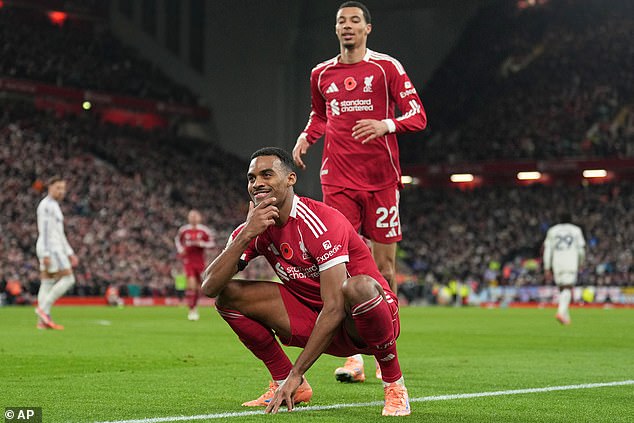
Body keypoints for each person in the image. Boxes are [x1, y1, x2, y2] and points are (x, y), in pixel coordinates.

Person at [202, 147, 410, 416]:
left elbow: (335, 306)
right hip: (316, 316)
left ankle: (394, 385)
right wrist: (245, 236)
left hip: (362, 319)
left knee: (358, 287)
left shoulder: (321, 221)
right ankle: (283, 380)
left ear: (291, 179)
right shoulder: (254, 227)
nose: (257, 183)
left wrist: (297, 372)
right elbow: (209, 287)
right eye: (252, 178)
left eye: (267, 174)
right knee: (228, 296)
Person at [292, 0, 427, 383]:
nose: (347, 26)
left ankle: (386, 349)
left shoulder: (386, 68)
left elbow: (418, 116)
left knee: (384, 269)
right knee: (341, 269)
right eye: (341, 21)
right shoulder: (321, 73)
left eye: (355, 20)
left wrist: (386, 124)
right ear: (335, 29)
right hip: (337, 180)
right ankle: (354, 357)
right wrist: (306, 137)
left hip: (381, 181)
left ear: (368, 28)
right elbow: (320, 115)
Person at [35, 176, 78, 330]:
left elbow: (59, 232)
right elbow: (45, 230)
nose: (61, 191)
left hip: (50, 247)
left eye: (63, 188)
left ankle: (42, 321)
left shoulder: (53, 205)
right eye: (58, 188)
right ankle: (43, 309)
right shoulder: (47, 206)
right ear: (50, 187)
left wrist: (69, 252)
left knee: (47, 282)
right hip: (51, 248)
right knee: (69, 279)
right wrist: (46, 252)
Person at [543, 212, 586, 325]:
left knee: (562, 288)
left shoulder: (552, 231)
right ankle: (561, 312)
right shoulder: (576, 230)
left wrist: (547, 267)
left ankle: (565, 317)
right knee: (568, 287)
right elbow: (581, 250)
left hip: (557, 263)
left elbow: (547, 250)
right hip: (570, 261)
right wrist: (581, 262)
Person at [175, 209, 216, 321]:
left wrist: (201, 243)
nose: (193, 218)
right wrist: (181, 250)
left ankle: (194, 306)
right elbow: (177, 241)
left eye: (195, 216)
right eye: (191, 216)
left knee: (198, 287)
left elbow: (212, 243)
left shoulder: (204, 230)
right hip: (188, 260)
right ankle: (192, 310)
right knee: (191, 284)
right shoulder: (184, 230)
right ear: (188, 218)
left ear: (199, 218)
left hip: (200, 261)